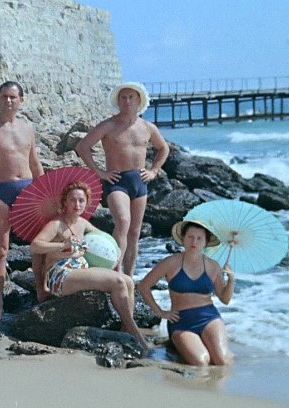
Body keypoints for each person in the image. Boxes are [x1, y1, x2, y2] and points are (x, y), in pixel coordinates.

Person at [29, 181, 151, 350]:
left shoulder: (82, 223)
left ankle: (125, 331)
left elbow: (103, 239)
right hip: (61, 274)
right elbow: (35, 246)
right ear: (65, 201)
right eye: (72, 200)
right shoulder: (56, 224)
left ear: (87, 203)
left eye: (81, 200)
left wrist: (114, 253)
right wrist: (62, 245)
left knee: (128, 281)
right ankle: (135, 333)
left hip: (80, 268)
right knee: (118, 282)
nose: (77, 204)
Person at [75, 82, 169, 276]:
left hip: (139, 181)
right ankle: (116, 271)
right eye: (123, 97)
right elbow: (83, 147)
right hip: (116, 181)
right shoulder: (109, 125)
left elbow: (163, 148)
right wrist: (99, 172)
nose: (127, 101)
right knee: (123, 221)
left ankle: (129, 277)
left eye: (131, 97)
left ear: (139, 100)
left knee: (134, 232)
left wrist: (153, 171)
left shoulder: (147, 127)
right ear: (118, 101)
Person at [0, 80, 46, 319]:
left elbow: (35, 163)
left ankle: (41, 292)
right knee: (1, 249)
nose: (8, 101)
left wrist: (45, 193)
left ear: (21, 100)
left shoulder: (28, 129)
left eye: (13, 97)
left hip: (27, 191)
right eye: (4, 96)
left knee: (39, 246)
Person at [137, 220, 235, 365]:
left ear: (206, 242)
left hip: (209, 318)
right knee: (201, 362)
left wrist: (231, 280)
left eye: (199, 238)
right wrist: (161, 312)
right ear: (183, 238)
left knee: (222, 361)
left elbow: (225, 299)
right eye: (190, 237)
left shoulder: (213, 266)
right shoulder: (171, 262)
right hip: (181, 322)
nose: (194, 242)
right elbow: (143, 286)